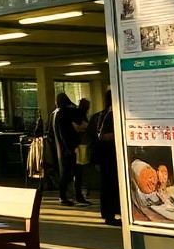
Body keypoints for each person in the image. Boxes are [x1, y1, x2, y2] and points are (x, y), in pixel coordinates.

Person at [89, 91, 121, 226]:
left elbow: (92, 136)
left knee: (107, 185)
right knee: (112, 185)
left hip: (102, 156)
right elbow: (103, 136)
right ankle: (111, 214)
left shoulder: (97, 116)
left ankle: (108, 213)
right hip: (111, 155)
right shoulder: (112, 116)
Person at [49, 92, 86, 206]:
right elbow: (64, 132)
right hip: (70, 147)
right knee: (74, 171)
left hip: (59, 147)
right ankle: (69, 195)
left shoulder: (54, 114)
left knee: (66, 172)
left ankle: (66, 195)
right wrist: (69, 147)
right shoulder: (64, 113)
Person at [72, 98, 91, 203]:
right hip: (81, 145)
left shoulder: (76, 114)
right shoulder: (80, 115)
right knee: (80, 171)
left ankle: (78, 192)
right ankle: (79, 193)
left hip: (79, 145)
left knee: (78, 171)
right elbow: (81, 126)